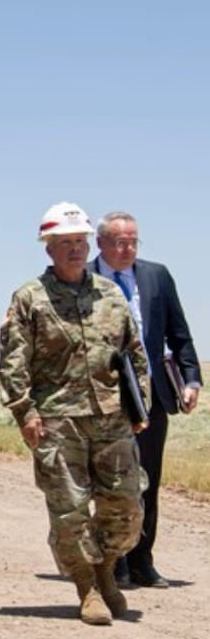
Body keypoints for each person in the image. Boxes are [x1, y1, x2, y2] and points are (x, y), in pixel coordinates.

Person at [0, 201, 147, 625]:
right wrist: (24, 412)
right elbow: (13, 361)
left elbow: (134, 354)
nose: (75, 250)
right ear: (49, 249)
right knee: (70, 511)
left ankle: (105, 567)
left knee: (126, 509)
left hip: (112, 418)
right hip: (56, 421)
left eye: (80, 242)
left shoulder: (110, 294)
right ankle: (87, 587)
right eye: (65, 244)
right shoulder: (30, 298)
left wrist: (141, 407)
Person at [91, 211, 201, 589]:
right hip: (104, 398)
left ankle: (142, 560)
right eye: (120, 242)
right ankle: (114, 560)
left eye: (134, 241)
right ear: (100, 243)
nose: (128, 249)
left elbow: (179, 334)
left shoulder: (156, 276)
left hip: (151, 396)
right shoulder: (84, 279)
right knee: (110, 480)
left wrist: (191, 379)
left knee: (147, 479)